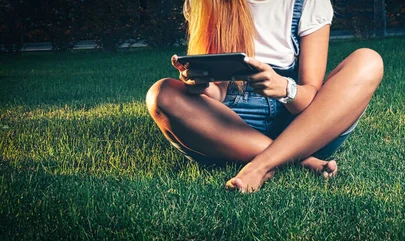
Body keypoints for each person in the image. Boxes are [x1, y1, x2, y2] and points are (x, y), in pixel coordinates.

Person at [146, 0, 384, 193]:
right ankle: (301, 160)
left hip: (303, 124)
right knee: (161, 94)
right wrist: (201, 86)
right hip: (234, 127)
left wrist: (284, 88)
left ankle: (260, 165)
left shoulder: (309, 3)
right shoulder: (208, 3)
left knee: (368, 61)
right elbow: (217, 92)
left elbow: (310, 99)